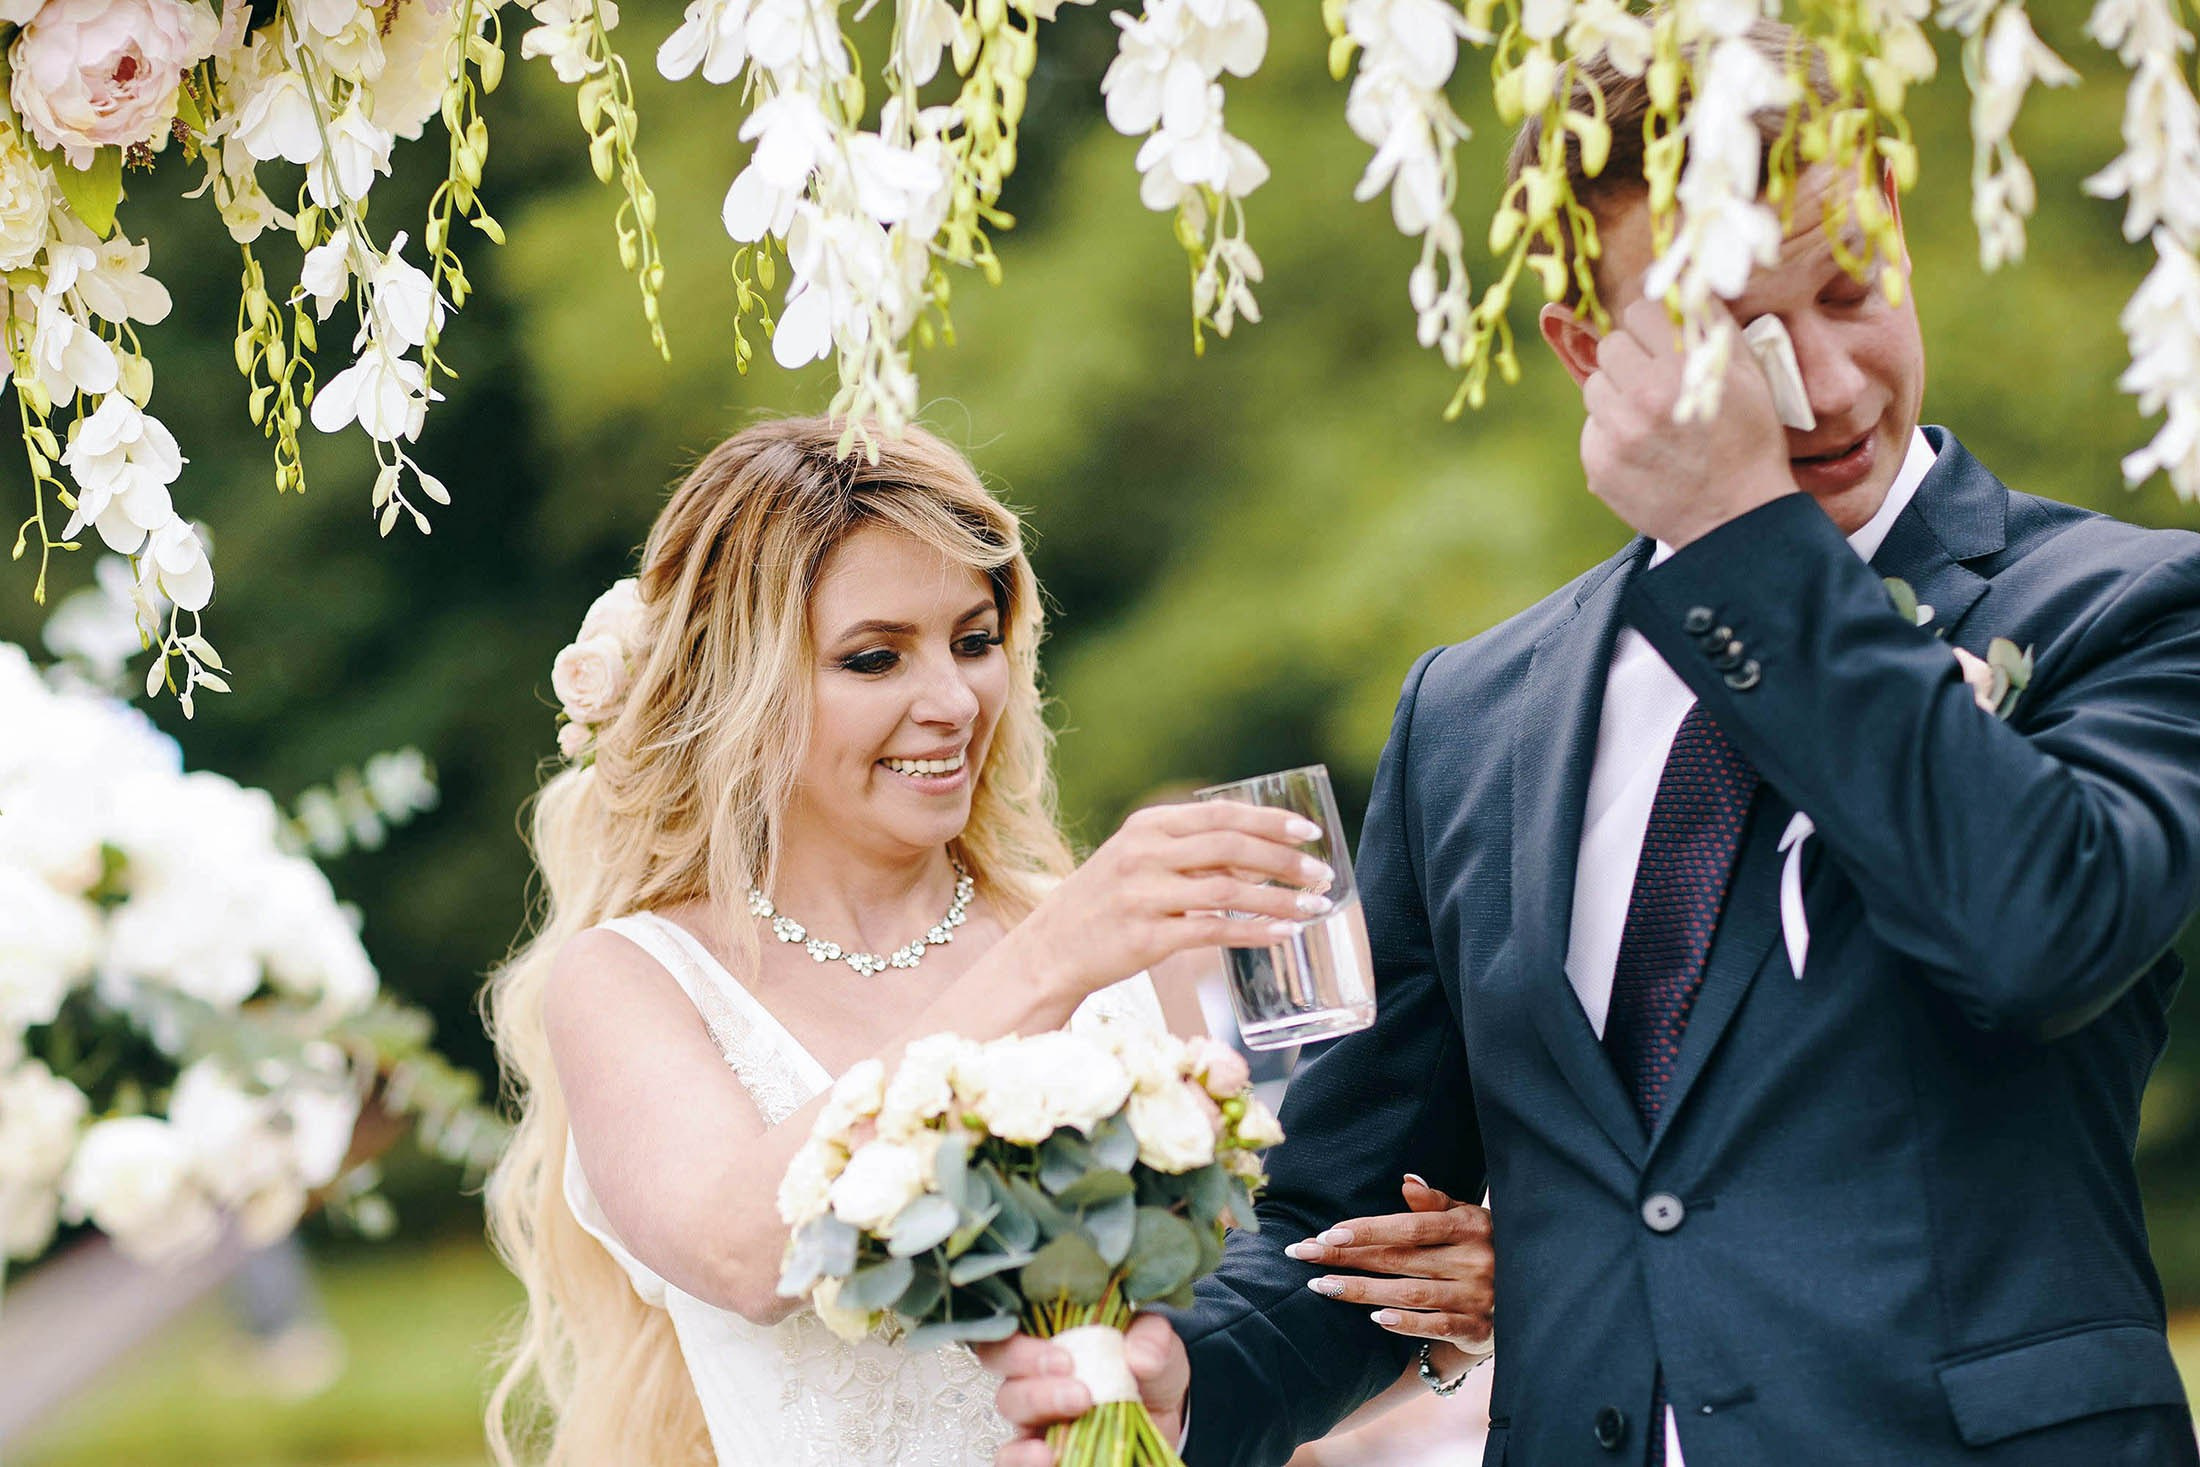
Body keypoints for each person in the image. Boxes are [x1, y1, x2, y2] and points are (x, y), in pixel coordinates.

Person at [983, 19, 2200, 1466]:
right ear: (1585, 349)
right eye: (1736, 336)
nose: (1818, 384)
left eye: (1850, 287)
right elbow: (1356, 1210)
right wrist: (1198, 1374)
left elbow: (2037, 934)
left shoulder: (2127, 604)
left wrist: (1751, 536)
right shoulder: (1469, 718)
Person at [477, 418, 1495, 1467]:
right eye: (874, 658)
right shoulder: (637, 980)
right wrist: (1052, 961)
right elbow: (741, 1252)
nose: (953, 701)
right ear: (733, 684)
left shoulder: (1100, 947)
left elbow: (1223, 1353)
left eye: (972, 641)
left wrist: (1431, 1329)